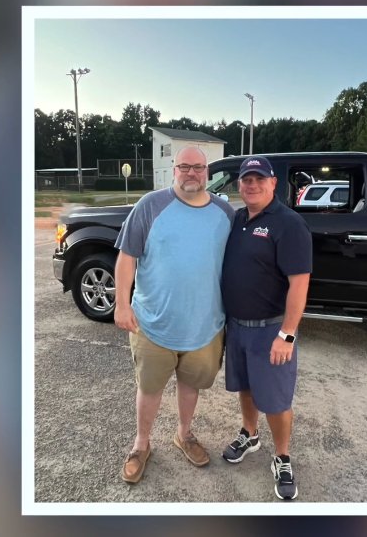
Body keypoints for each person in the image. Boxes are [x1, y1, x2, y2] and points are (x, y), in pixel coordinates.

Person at [113, 146, 235, 484]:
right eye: (185, 167)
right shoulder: (150, 206)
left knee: (191, 384)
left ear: (207, 173)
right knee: (149, 388)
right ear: (174, 170)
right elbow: (127, 258)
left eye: (198, 167)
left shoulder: (225, 213)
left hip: (205, 326)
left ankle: (184, 434)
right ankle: (141, 445)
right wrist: (122, 305)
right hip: (152, 323)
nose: (192, 173)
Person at [220, 156, 312, 500]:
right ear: (239, 185)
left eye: (260, 179)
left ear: (274, 183)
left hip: (271, 330)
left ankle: (282, 456)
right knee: (246, 386)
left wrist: (287, 334)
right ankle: (250, 434)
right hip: (237, 326)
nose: (252, 185)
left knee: (275, 399)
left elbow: (299, 285)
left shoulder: (289, 224)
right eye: (246, 180)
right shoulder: (238, 218)